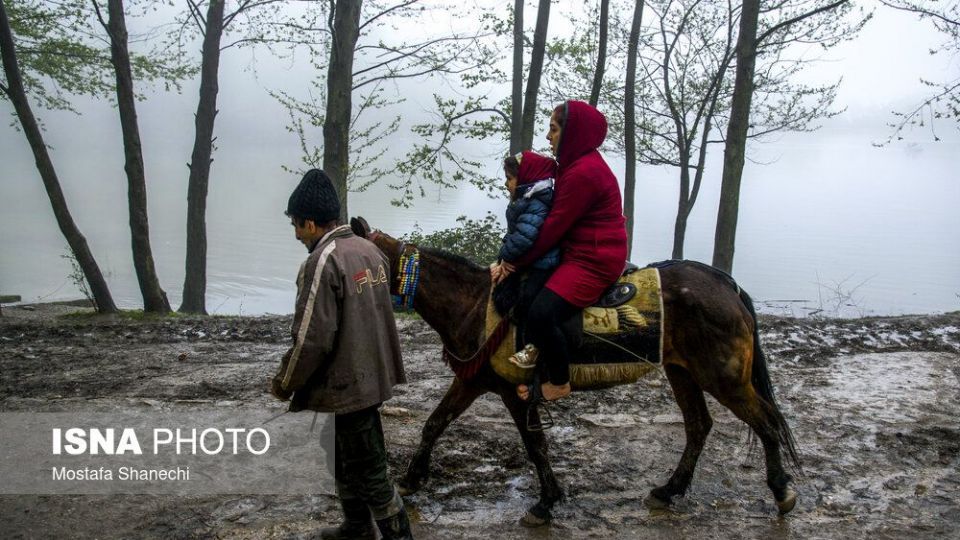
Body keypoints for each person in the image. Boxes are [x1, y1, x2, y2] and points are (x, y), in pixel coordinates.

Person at [270, 169, 413, 540]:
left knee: (370, 470)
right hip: (371, 376)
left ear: (311, 222)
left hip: (349, 384)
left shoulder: (321, 262)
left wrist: (286, 382)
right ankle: (355, 526)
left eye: (296, 225)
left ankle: (398, 536)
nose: (296, 234)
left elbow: (311, 339)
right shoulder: (370, 250)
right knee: (336, 448)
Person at [496, 100, 628, 403]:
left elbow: (550, 231)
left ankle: (559, 381)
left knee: (542, 313)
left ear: (572, 133)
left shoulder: (583, 173)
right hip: (578, 252)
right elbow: (538, 169)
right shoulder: (573, 163)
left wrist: (512, 262)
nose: (547, 137)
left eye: (553, 130)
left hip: (594, 260)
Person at [490, 151, 560, 368]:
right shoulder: (527, 200)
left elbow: (523, 238)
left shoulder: (537, 203)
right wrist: (503, 259)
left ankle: (534, 348)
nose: (506, 184)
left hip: (543, 264)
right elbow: (516, 235)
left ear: (524, 179)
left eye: (510, 178)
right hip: (530, 260)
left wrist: (504, 259)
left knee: (529, 298)